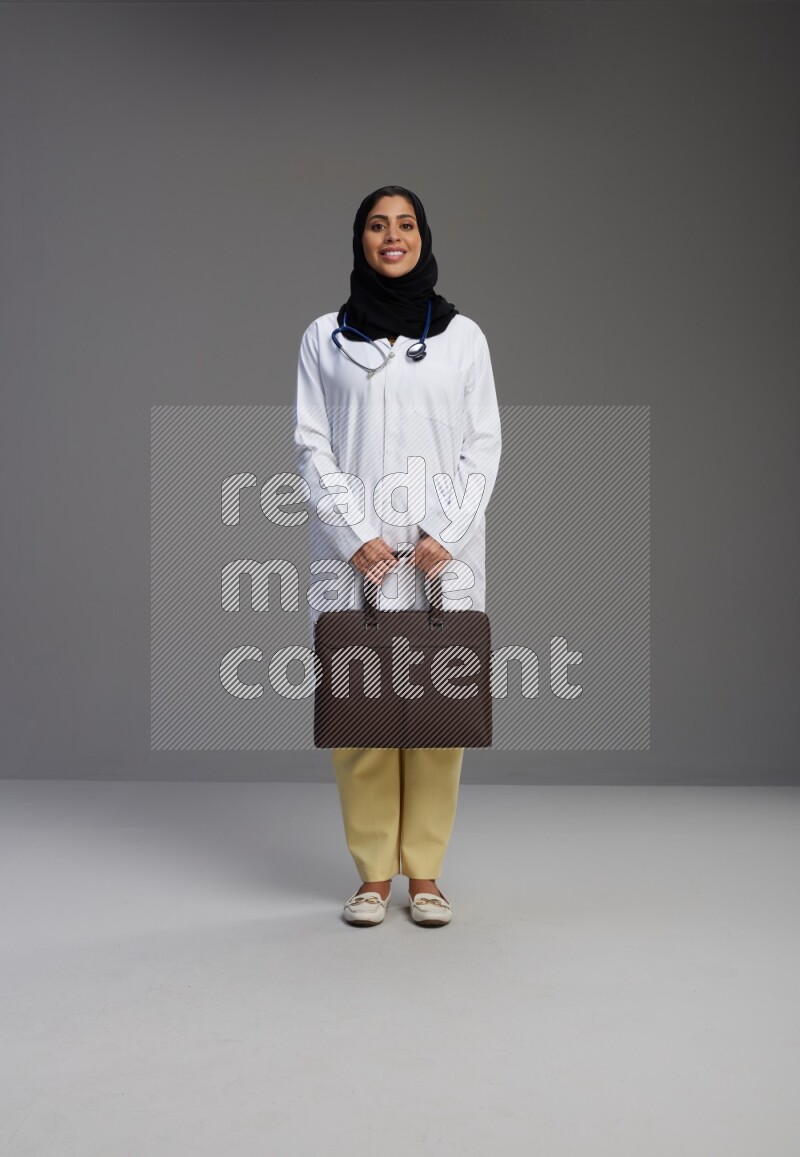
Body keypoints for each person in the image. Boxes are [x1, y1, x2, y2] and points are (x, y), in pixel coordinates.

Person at [293, 185, 502, 927]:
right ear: (359, 240)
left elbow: (484, 444)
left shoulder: (462, 338)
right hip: (359, 555)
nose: (392, 236)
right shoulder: (325, 337)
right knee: (362, 715)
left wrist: (446, 526)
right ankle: (373, 875)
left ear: (423, 237)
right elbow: (311, 445)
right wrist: (354, 534)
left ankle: (428, 876)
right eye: (378, 225)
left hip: (442, 555)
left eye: (404, 224)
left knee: (440, 715)